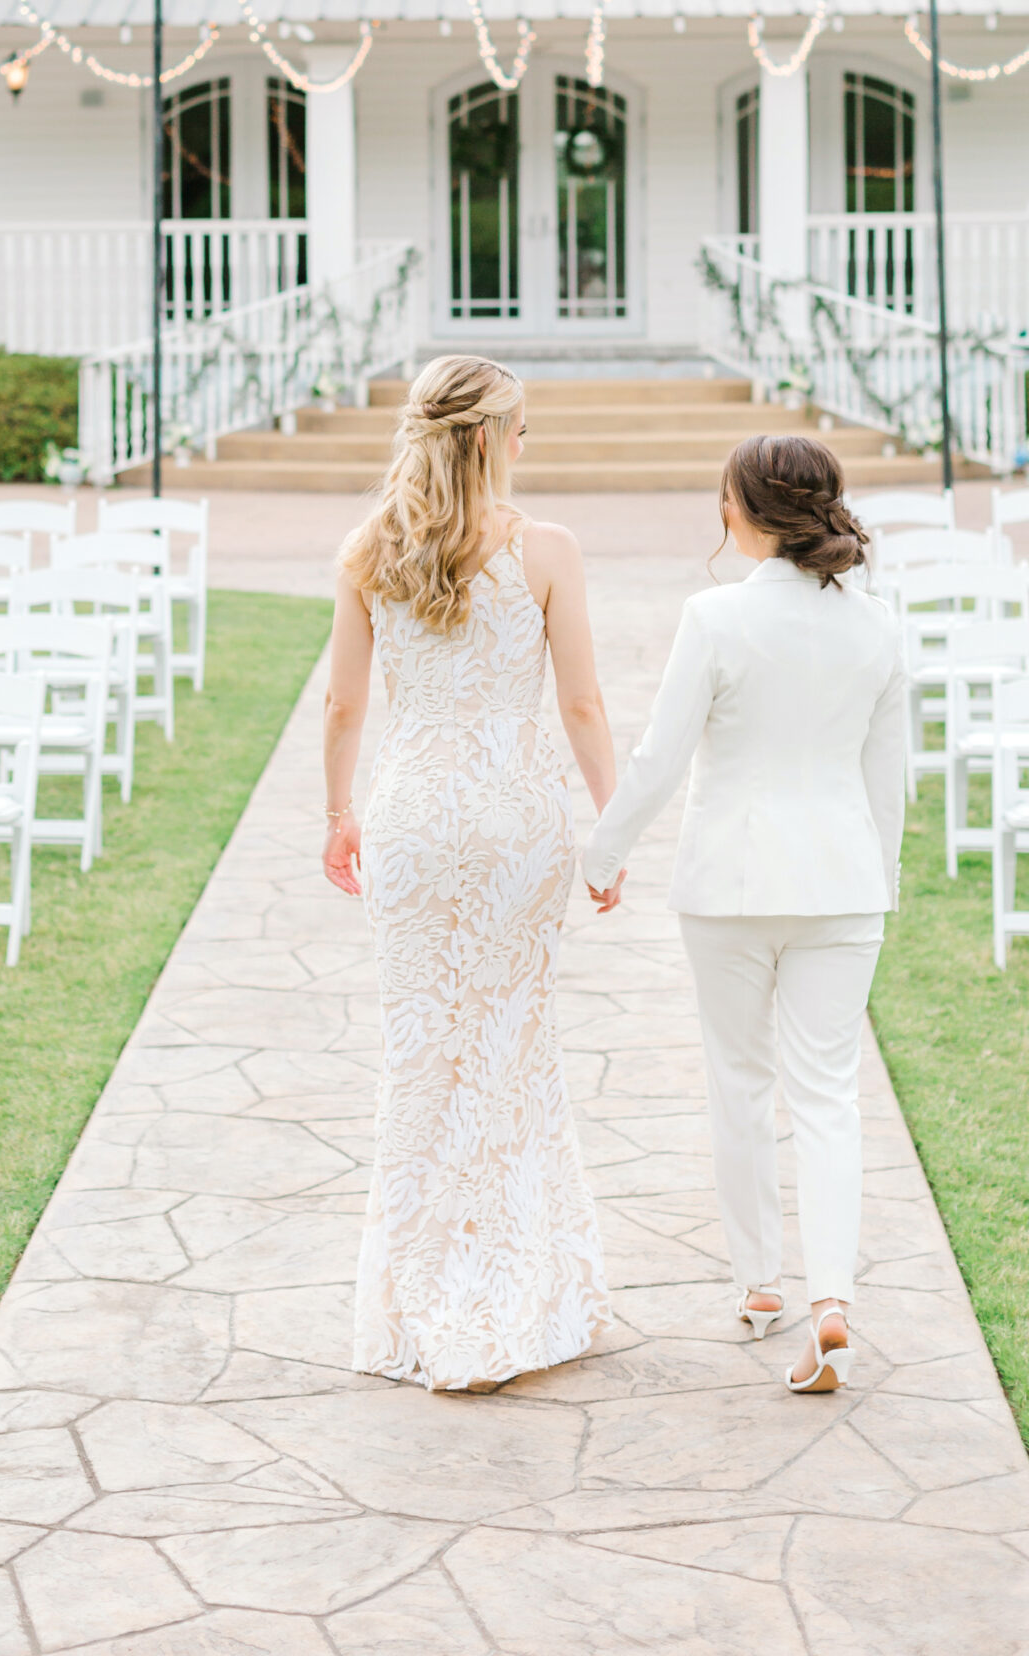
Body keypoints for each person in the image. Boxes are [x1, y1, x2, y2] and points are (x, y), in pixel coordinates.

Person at [581, 433, 906, 1394]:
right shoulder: (877, 623)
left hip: (728, 884)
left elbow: (659, 754)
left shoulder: (715, 616)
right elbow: (887, 780)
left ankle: (761, 1284)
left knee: (739, 1081)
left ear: (743, 511)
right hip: (842, 885)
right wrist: (874, 881)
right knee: (827, 1096)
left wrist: (603, 851)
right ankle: (831, 1300)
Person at [322, 352, 620, 1390]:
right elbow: (580, 704)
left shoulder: (369, 550)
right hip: (512, 821)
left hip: (411, 816)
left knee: (422, 1052)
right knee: (510, 1044)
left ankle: (411, 1304)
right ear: (491, 437)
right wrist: (612, 819)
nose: (526, 446)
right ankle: (514, 1291)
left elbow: (343, 706)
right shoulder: (546, 549)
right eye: (523, 429)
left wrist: (337, 813)